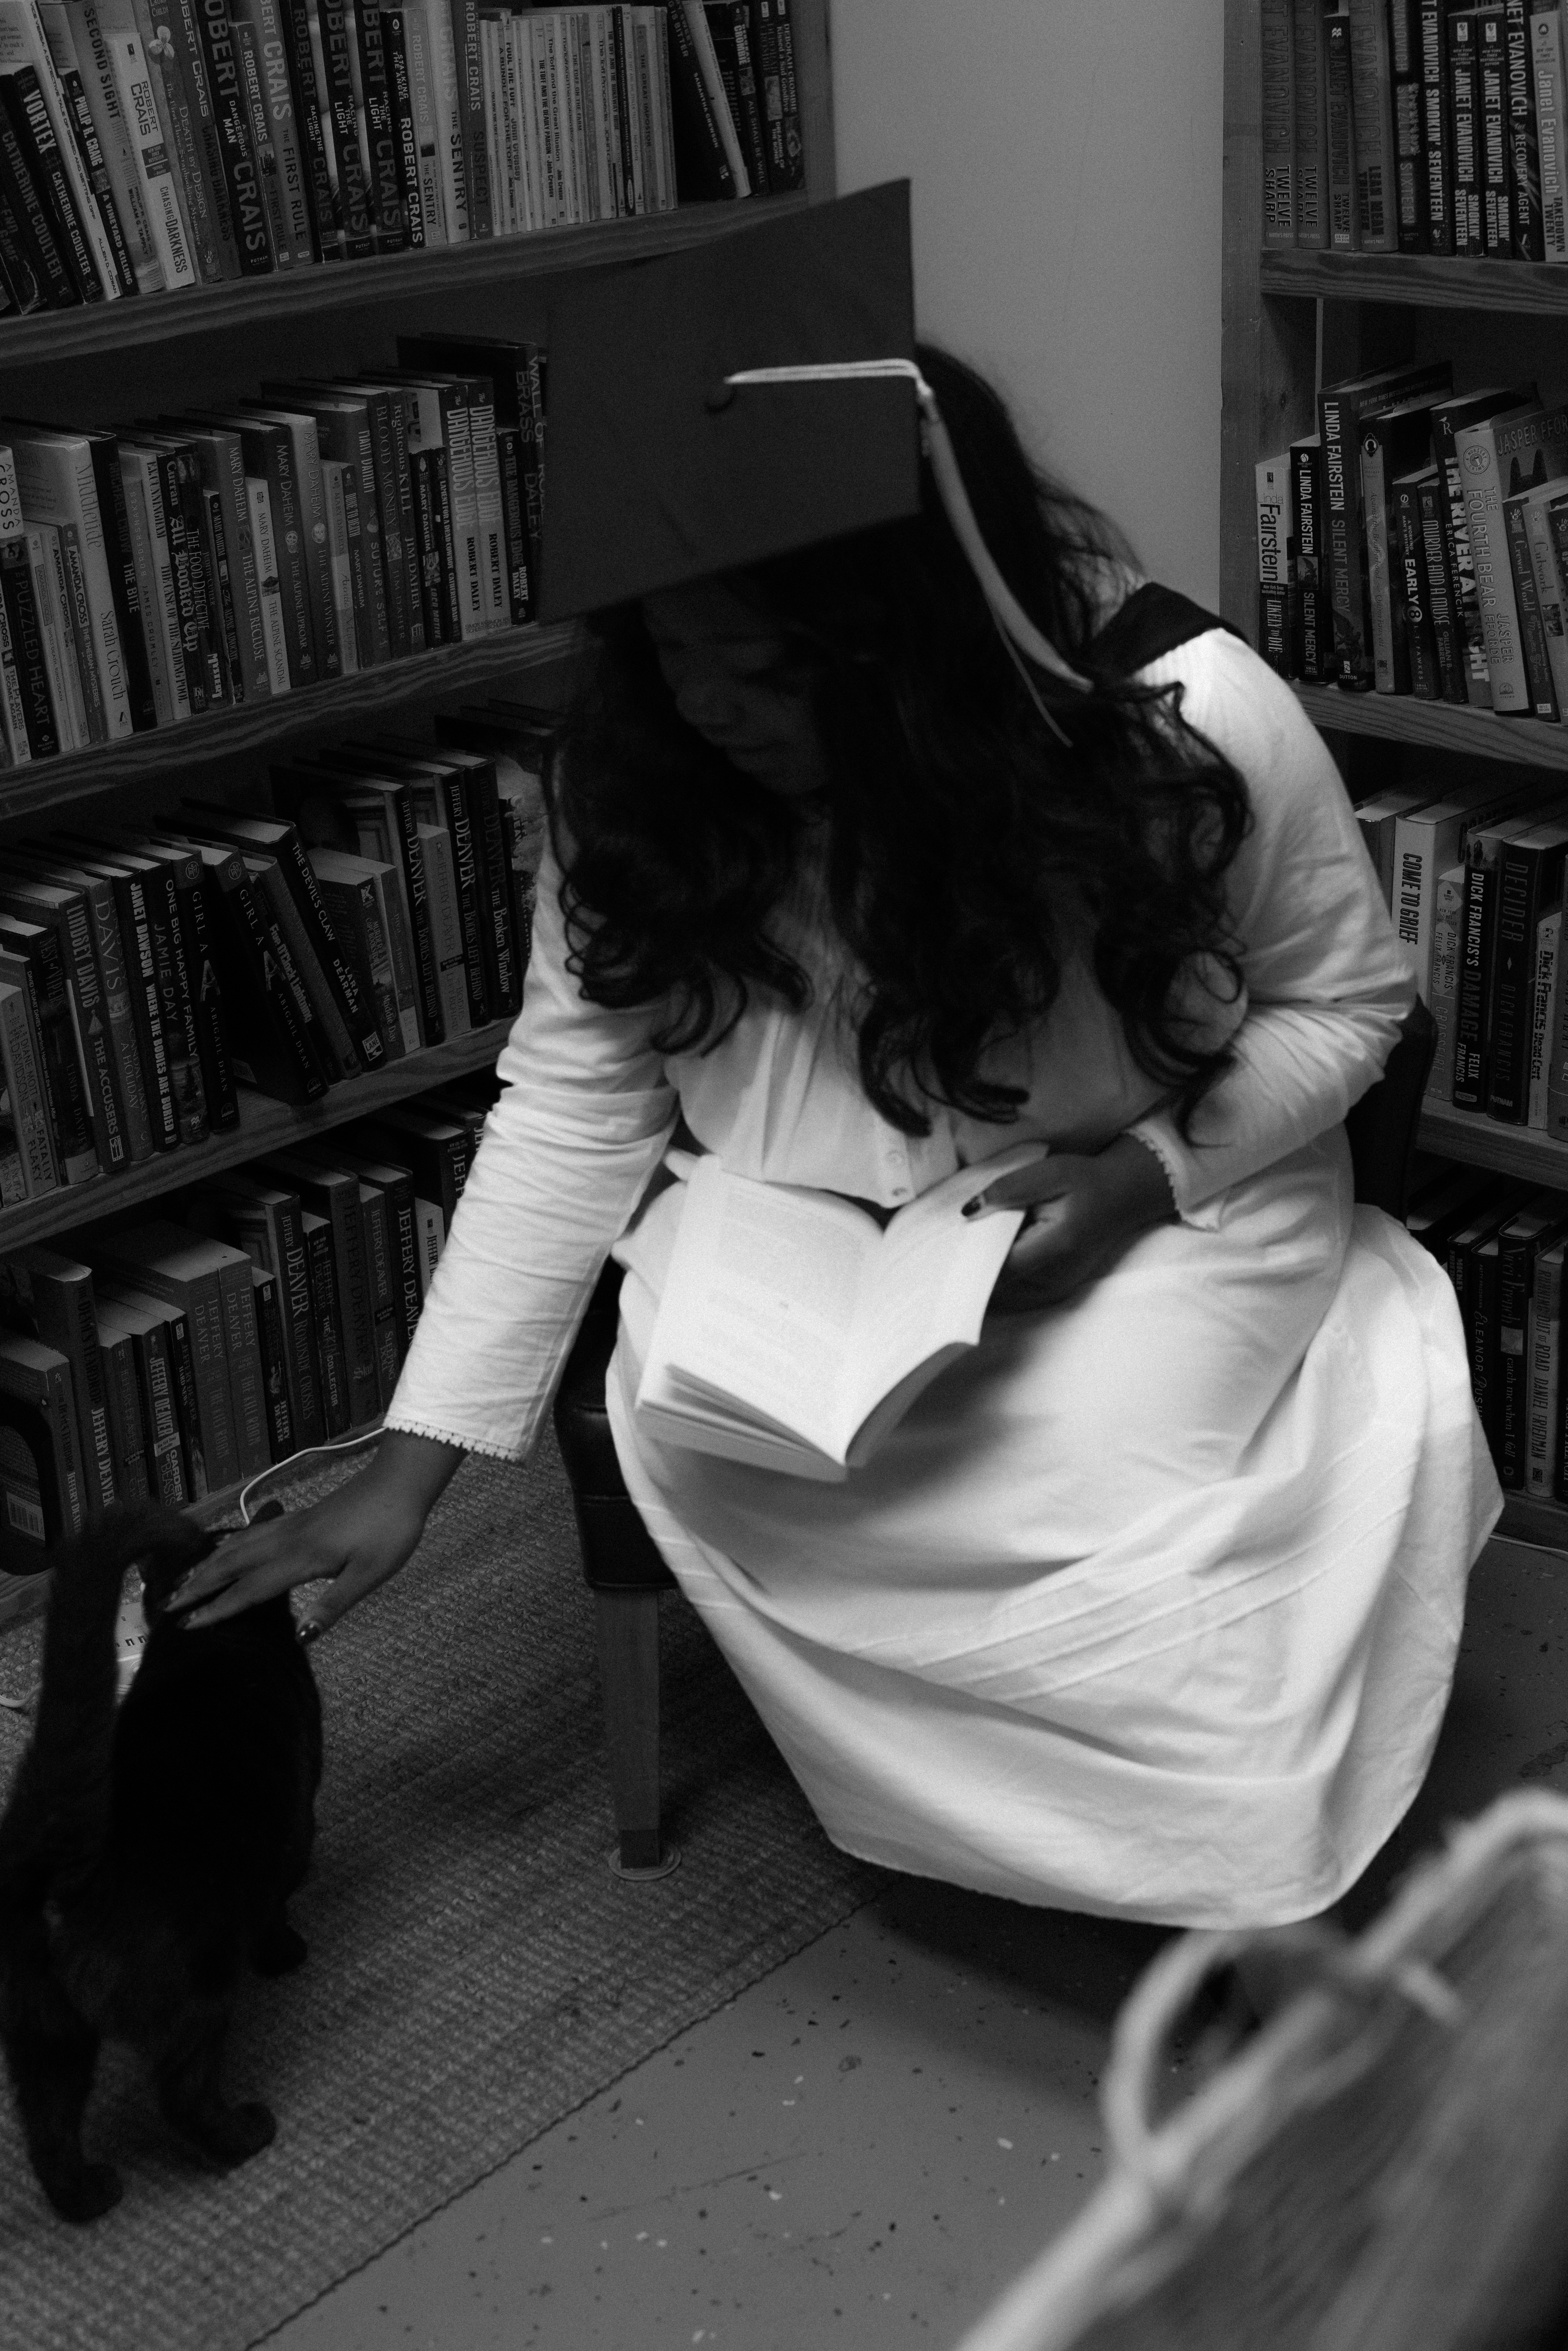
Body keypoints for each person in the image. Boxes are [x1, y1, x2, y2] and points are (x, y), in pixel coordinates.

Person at [174, 342, 1499, 1929]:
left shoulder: (1180, 718)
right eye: (677, 655)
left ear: (916, 644)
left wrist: (1145, 1180)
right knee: (719, 1444)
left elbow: (1345, 1013)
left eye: (775, 669)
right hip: (784, 1248)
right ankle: (1007, 1822)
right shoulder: (639, 768)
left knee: (1109, 1512)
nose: (715, 707)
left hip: (1143, 1196)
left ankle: (1238, 1890)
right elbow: (578, 1099)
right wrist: (414, 1465)